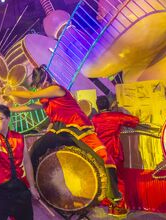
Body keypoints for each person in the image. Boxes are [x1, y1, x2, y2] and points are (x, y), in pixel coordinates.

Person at [9, 65, 122, 202]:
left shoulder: (57, 89)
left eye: (38, 85)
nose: (38, 89)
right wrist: (9, 109)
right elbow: (30, 106)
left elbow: (31, 96)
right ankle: (32, 186)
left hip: (76, 126)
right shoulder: (46, 99)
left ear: (45, 81)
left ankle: (114, 195)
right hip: (60, 130)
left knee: (102, 155)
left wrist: (10, 91)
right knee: (36, 149)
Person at [92, 96, 139, 216]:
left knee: (108, 181)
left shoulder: (95, 119)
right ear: (108, 105)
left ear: (98, 106)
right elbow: (135, 121)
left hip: (101, 154)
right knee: (119, 181)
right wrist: (116, 109)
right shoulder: (116, 116)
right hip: (114, 152)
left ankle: (111, 207)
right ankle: (119, 208)